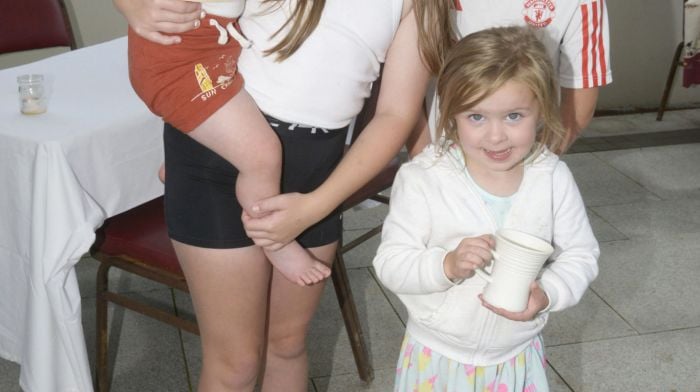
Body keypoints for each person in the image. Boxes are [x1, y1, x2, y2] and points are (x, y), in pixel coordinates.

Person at [114, 0, 432, 390]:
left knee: (287, 345)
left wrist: (318, 203)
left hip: (317, 179)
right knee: (237, 363)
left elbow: (397, 115)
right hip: (221, 157)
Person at [372, 26, 600, 391]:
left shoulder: (552, 177)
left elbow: (581, 254)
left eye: (513, 116)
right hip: (438, 355)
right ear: (451, 114)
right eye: (476, 117)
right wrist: (445, 265)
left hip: (516, 355)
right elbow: (390, 262)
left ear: (540, 110)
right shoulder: (423, 179)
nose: (496, 136)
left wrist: (549, 293)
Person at [127, 0, 332, 286]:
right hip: (179, 67)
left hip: (209, 53)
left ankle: (177, 166)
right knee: (261, 156)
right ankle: (274, 241)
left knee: (236, 128)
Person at [407, 0, 612, 157]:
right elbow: (405, 88)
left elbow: (579, 102)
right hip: (441, 157)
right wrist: (425, 158)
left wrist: (537, 163)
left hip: (523, 159)